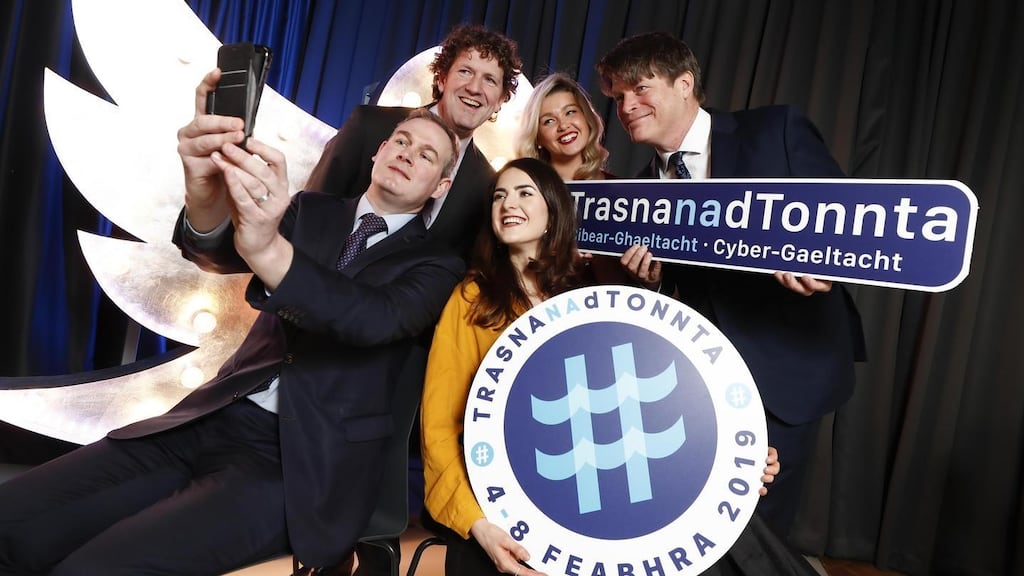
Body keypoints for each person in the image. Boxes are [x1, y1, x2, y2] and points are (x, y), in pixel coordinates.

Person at [0, 70, 464, 575]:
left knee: (93, 569)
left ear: (439, 186)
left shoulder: (439, 265)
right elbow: (218, 251)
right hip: (209, 417)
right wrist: (203, 191)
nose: (407, 154)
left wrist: (268, 247)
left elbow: (368, 319)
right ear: (377, 152)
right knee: (17, 520)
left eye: (426, 155)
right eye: (401, 140)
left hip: (293, 466)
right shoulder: (310, 211)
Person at [420, 157, 796, 576]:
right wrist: (480, 525)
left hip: (617, 491)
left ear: (553, 212)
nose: (508, 203)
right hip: (524, 501)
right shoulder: (474, 298)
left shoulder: (592, 293)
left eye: (525, 192)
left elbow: (656, 400)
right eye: (499, 196)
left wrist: (738, 456)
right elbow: (439, 426)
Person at [596, 31, 866, 540]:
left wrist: (823, 265)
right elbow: (684, 289)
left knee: (760, 530)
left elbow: (849, 225)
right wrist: (652, 280)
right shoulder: (639, 190)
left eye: (640, 88)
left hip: (787, 369)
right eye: (617, 97)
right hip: (702, 382)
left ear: (684, 83)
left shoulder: (775, 130)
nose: (627, 105)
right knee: (701, 526)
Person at [306, 23, 522, 258]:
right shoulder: (368, 126)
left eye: (490, 79)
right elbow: (312, 209)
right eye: (465, 71)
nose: (474, 88)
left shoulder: (486, 184)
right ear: (441, 79)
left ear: (500, 100)